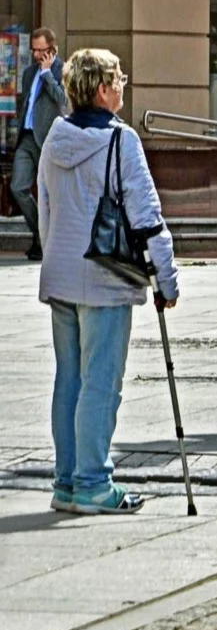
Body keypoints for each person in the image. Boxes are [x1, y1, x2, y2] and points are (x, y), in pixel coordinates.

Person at [39, 47, 179, 515]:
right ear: (102, 90)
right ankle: (94, 483)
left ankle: (66, 481)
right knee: (101, 382)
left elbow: (45, 211)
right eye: (118, 79)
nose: (124, 84)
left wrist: (57, 255)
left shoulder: (54, 138)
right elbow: (147, 215)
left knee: (70, 381)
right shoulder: (122, 141)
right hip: (104, 276)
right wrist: (167, 279)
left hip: (61, 276)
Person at [10, 28, 62, 259]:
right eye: (34, 50)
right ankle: (41, 235)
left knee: (50, 194)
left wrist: (48, 73)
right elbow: (25, 101)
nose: (37, 55)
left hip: (49, 140)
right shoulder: (29, 72)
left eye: (42, 50)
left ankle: (44, 242)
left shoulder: (62, 69)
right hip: (27, 137)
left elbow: (64, 101)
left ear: (52, 49)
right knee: (18, 187)